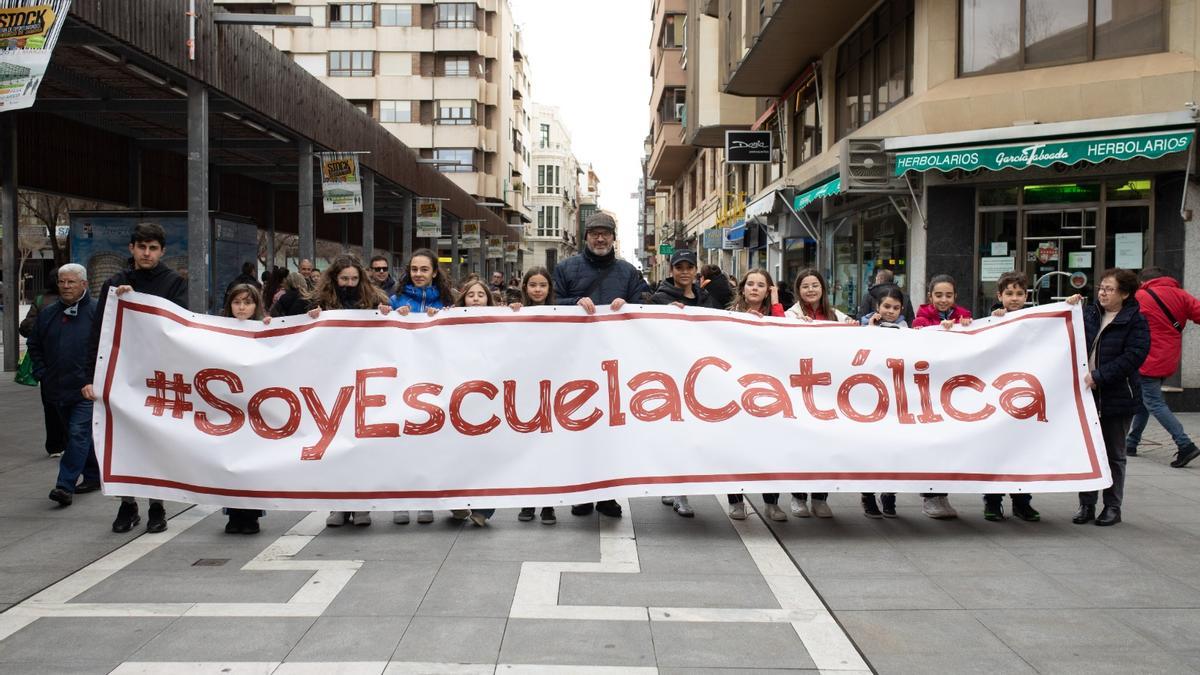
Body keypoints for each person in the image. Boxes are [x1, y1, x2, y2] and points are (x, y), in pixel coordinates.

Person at [83, 222, 189, 534]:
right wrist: (93, 377)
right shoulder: (115, 283)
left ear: (162, 251)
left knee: (156, 440)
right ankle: (127, 503)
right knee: (123, 440)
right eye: (141, 247)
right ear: (131, 249)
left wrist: (139, 302)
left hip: (159, 375)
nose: (146, 253)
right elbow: (100, 332)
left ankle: (157, 505)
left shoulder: (174, 282)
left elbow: (179, 326)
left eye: (153, 247)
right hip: (122, 375)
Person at [552, 212, 650, 519]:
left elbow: (645, 303)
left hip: (615, 366)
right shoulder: (566, 268)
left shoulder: (628, 272)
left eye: (605, 233)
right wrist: (574, 304)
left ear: (613, 238)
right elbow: (550, 302)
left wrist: (630, 305)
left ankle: (608, 495)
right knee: (579, 431)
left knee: (611, 433)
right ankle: (582, 494)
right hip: (576, 365)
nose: (599, 238)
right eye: (594, 233)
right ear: (586, 237)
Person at [308, 257, 390, 528]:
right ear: (335, 278)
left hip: (367, 381)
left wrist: (390, 314)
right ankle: (338, 505)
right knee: (336, 446)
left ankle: (362, 504)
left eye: (354, 279)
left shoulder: (376, 298)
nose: (350, 284)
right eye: (344, 279)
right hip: (331, 381)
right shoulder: (318, 300)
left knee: (363, 445)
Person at [1075, 269, 1150, 527]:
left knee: (1113, 453)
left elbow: (1134, 356)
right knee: (1088, 452)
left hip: (1118, 396)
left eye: (1109, 289)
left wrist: (1100, 375)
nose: (1103, 293)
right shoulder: (1089, 314)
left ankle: (1112, 507)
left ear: (1125, 294)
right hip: (1087, 395)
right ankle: (1086, 505)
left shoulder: (1135, 320)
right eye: (1101, 288)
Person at [648, 250, 719, 517]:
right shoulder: (660, 299)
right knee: (674, 431)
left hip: (698, 374)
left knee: (691, 433)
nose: (685, 272)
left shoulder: (705, 299)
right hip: (670, 375)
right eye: (680, 267)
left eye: (690, 267)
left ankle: (677, 485)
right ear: (672, 270)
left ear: (695, 270)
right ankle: (678, 491)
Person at [28, 264, 102, 508]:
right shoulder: (48, 314)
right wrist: (41, 372)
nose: (66, 286)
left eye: (71, 282)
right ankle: (92, 476)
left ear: (84, 284)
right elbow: (34, 345)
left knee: (78, 433)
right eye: (63, 282)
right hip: (56, 388)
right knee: (77, 435)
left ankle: (64, 485)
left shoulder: (96, 313)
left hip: (86, 389)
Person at [784, 268, 853, 519]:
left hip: (829, 391)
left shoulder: (836, 316)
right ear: (798, 290)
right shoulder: (790, 315)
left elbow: (861, 333)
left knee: (826, 445)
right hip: (801, 390)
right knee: (803, 444)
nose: (811, 290)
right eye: (805, 286)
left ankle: (820, 498)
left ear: (823, 288)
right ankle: (798, 497)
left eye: (815, 285)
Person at [726, 268, 788, 522]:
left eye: (761, 285)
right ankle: (736, 501)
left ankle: (771, 503)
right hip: (735, 390)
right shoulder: (727, 316)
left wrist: (775, 307)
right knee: (735, 449)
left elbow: (787, 336)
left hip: (769, 391)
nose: (754, 288)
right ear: (742, 288)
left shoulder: (777, 313)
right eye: (750, 283)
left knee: (769, 449)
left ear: (768, 290)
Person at [910, 274, 972, 519]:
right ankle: (929, 497)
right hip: (928, 389)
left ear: (955, 297)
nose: (943, 300)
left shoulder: (965, 316)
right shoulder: (922, 318)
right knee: (930, 443)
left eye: (948, 295)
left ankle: (943, 495)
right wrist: (936, 330)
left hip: (953, 390)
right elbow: (918, 337)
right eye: (938, 295)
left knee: (949, 444)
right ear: (930, 297)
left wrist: (966, 327)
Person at [1126, 267, 1200, 467]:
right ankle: (1131, 443)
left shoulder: (1140, 296)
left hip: (1148, 357)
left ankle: (1185, 445)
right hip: (1169, 357)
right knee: (1144, 400)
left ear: (1144, 281)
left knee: (1154, 402)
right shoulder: (1181, 295)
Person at [982, 271, 1041, 522]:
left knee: (1022, 452)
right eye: (1009, 293)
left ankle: (1022, 501)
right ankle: (993, 502)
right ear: (1000, 296)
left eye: (1019, 294)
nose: (1014, 298)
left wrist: (1069, 305)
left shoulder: (1036, 319)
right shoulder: (991, 320)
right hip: (997, 396)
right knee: (994, 451)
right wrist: (994, 320)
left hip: (1022, 397)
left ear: (1026, 296)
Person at [220, 284, 272, 534]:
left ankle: (251, 515)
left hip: (256, 407)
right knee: (231, 462)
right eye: (237, 302)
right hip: (228, 406)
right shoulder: (217, 330)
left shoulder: (265, 329)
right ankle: (233, 514)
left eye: (247, 302)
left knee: (252, 462)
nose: (242, 307)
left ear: (256, 305)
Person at [449, 279, 501, 527]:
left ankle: (483, 509)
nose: (477, 298)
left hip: (489, 398)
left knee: (488, 455)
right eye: (471, 295)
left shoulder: (501, 323)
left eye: (482, 294)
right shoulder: (448, 322)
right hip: (458, 397)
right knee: (457, 453)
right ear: (464, 298)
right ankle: (458, 504)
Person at [509, 267, 558, 525]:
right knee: (525, 448)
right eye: (533, 285)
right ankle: (527, 501)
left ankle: (549, 504)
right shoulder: (514, 312)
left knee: (548, 448)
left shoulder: (561, 314)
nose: (538, 290)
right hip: (524, 389)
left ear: (550, 289)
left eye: (542, 285)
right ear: (525, 287)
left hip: (552, 391)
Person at [857, 287, 908, 519]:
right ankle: (868, 495)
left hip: (896, 397)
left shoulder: (907, 329)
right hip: (869, 397)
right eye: (886, 307)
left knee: (894, 449)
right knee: (869, 449)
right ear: (877, 307)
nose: (890, 311)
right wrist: (870, 330)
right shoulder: (864, 326)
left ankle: (889, 494)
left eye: (895, 308)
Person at [19, 268, 64, 458]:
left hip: (47, 364)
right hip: (61, 362)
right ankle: (68, 443)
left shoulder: (40, 301)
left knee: (51, 405)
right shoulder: (71, 301)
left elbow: (26, 327)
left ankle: (55, 445)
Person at [390, 248, 453, 316]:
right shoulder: (395, 300)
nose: (418, 274)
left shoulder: (447, 301)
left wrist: (443, 315)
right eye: (414, 269)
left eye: (424, 270)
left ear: (434, 272)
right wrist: (395, 315)